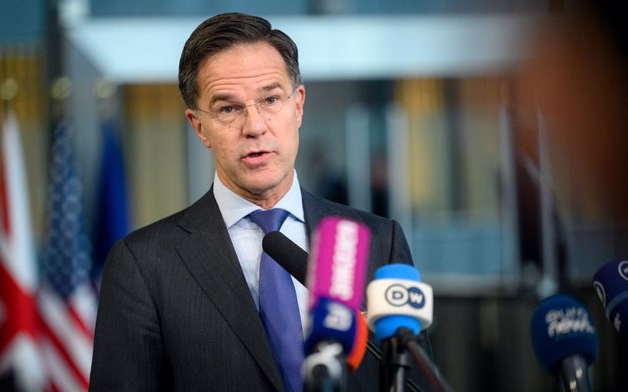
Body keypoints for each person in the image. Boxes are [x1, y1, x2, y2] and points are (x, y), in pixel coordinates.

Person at [89, 12, 422, 392]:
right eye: (228, 108)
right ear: (199, 127)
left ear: (297, 106)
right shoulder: (143, 265)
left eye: (270, 99)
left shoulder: (378, 241)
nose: (255, 126)